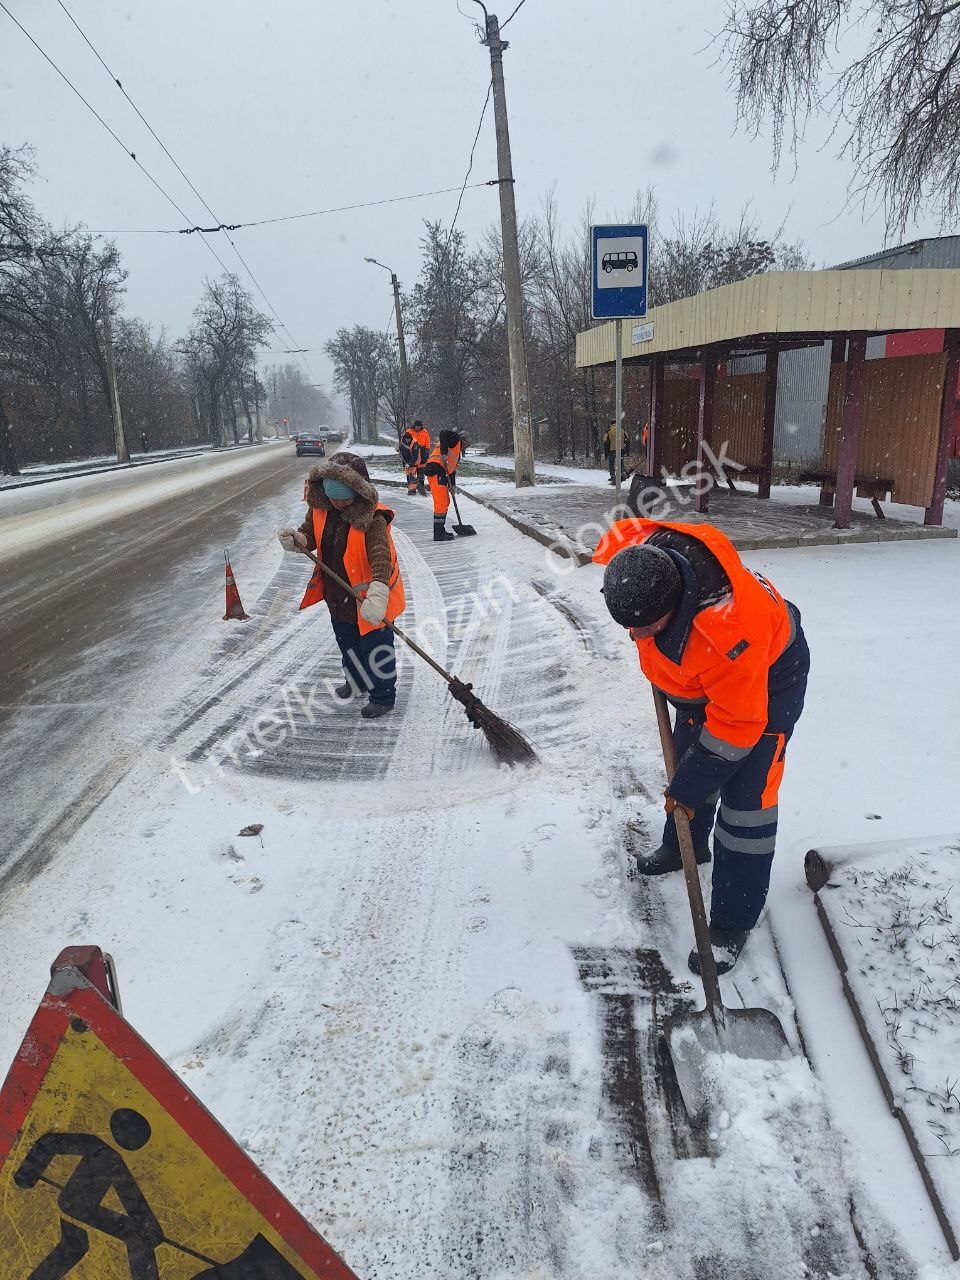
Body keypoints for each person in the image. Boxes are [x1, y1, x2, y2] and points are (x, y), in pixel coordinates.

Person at [594, 518, 809, 975]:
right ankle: (684, 846)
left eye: (644, 628)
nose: (636, 638)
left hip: (768, 681)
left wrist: (689, 786)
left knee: (746, 804)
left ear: (674, 605)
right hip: (705, 681)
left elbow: (736, 728)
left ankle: (733, 921)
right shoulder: (648, 561)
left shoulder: (727, 634)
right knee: (690, 757)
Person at [278, 452, 406, 719]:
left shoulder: (374, 519)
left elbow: (381, 557)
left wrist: (379, 593)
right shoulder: (321, 509)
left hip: (369, 598)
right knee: (347, 642)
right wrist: (298, 539)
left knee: (376, 647)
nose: (337, 504)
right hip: (337, 594)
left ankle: (383, 696)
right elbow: (310, 536)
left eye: (343, 498)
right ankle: (356, 680)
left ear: (358, 492)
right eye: (332, 497)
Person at [425, 429, 462, 542]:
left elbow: (451, 471)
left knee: (445, 501)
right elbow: (443, 433)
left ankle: (441, 530)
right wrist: (444, 453)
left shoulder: (456, 452)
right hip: (435, 469)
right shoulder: (455, 439)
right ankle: (438, 534)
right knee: (441, 503)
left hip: (440, 471)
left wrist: (452, 486)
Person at [603, 418, 631, 484]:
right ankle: (620, 474)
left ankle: (612, 476)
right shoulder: (622, 430)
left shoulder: (608, 431)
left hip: (612, 450)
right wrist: (627, 451)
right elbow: (627, 440)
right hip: (621, 450)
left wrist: (606, 454)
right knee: (620, 463)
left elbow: (605, 442)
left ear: (611, 424)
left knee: (611, 463)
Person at [399, 424, 420, 496]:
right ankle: (410, 488)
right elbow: (401, 447)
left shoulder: (415, 443)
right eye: (406, 439)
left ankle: (413, 490)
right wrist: (399, 449)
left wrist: (410, 463)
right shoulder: (403, 440)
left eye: (409, 439)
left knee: (413, 475)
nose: (408, 440)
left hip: (414, 462)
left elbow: (415, 455)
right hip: (406, 461)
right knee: (408, 475)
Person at [411, 418, 431, 495]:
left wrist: (426, 456)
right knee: (412, 473)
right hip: (413, 453)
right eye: (417, 426)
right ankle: (412, 489)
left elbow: (427, 445)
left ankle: (421, 488)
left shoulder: (425, 433)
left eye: (419, 426)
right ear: (415, 426)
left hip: (422, 452)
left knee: (421, 473)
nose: (418, 428)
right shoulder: (409, 432)